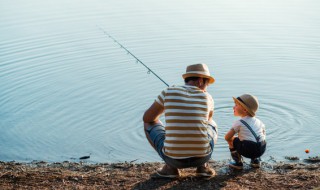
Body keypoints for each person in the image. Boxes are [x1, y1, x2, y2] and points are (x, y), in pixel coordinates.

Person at [143, 63, 218, 178]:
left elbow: (147, 118)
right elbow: (207, 121)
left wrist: (168, 108)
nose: (206, 87)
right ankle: (203, 167)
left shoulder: (168, 91)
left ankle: (170, 168)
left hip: (174, 159)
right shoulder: (208, 97)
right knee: (212, 124)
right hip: (202, 156)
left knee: (149, 123)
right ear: (200, 81)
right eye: (207, 83)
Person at [225, 94, 266, 169]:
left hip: (248, 150)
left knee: (232, 139)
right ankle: (255, 161)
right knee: (255, 138)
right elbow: (263, 134)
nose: (233, 107)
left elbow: (227, 137)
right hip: (262, 148)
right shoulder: (259, 121)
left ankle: (237, 163)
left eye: (236, 105)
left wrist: (237, 139)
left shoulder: (239, 122)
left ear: (244, 109)